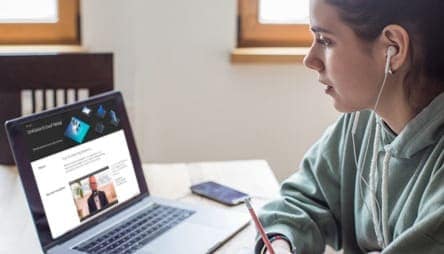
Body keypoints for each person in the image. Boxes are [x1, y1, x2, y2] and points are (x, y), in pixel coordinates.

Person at [255, 0, 444, 253]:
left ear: (393, 48)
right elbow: (303, 199)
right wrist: (281, 243)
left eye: (325, 40)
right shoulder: (360, 122)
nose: (310, 60)